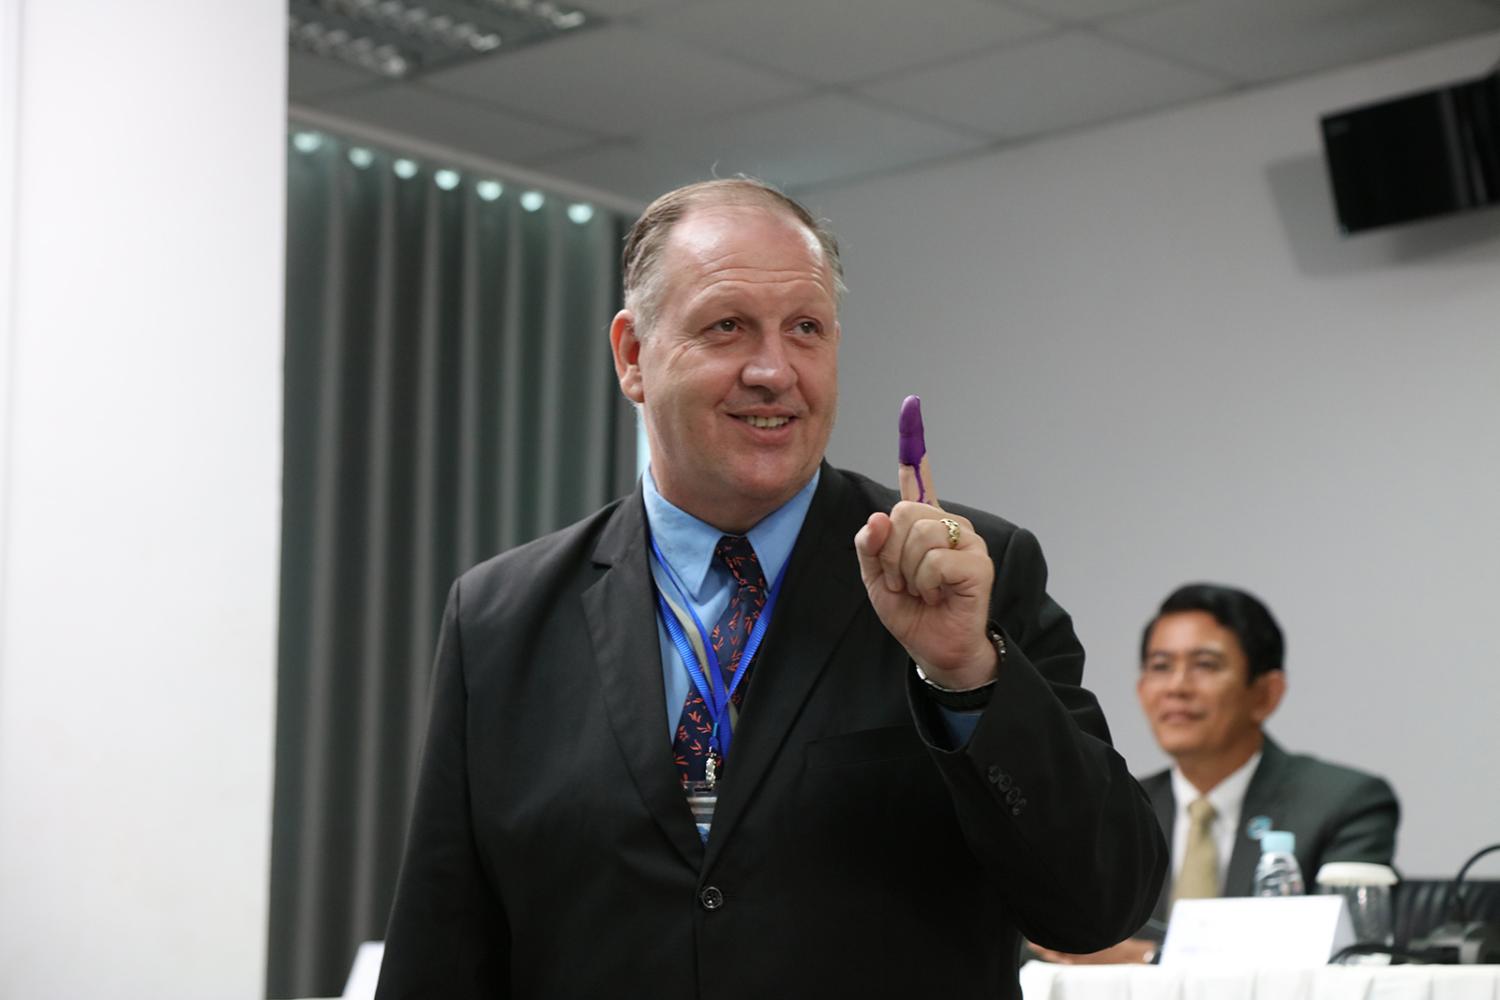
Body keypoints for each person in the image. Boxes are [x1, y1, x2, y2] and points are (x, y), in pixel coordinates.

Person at [374, 178, 1166, 999]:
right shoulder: (500, 620)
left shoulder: (970, 577)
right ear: (633, 355)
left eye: (806, 329)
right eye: (727, 326)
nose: (773, 370)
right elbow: (441, 954)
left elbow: (1102, 904)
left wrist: (967, 676)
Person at [1033, 582, 1399, 965]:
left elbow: (1347, 954)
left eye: (1205, 665)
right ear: (1141, 690)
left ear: (1266, 694)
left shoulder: (1343, 803)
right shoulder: (1113, 809)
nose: (1177, 687)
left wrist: (1149, 957)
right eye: (1161, 666)